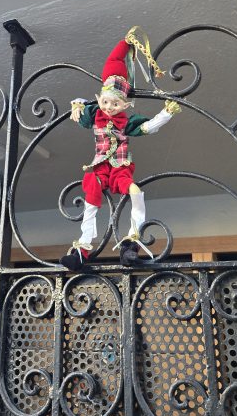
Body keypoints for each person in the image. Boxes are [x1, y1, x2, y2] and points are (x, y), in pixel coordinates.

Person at [60, 29, 181, 271]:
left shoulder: (127, 121)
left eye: (115, 103)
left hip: (121, 168)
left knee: (135, 190)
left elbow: (146, 127)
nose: (109, 107)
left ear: (125, 104)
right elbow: (82, 105)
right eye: (105, 101)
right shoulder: (95, 113)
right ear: (99, 98)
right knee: (91, 198)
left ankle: (131, 241)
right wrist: (77, 102)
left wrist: (165, 114)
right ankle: (83, 247)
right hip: (98, 166)